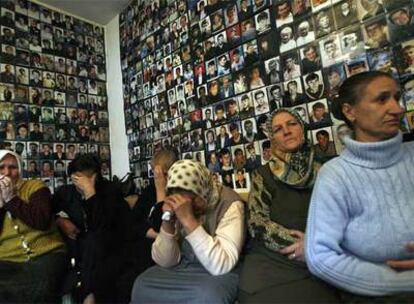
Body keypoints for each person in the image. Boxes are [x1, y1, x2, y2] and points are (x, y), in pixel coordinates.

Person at [306, 71, 414, 301]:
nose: (397, 109)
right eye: (382, 99)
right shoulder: (335, 175)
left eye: (397, 97)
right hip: (378, 295)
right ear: (349, 111)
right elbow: (319, 256)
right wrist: (403, 282)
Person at [238, 109, 340, 303]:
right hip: (271, 263)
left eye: (292, 124)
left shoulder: (329, 169)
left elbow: (343, 218)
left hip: (320, 258)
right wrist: (299, 247)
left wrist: (313, 247)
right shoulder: (263, 174)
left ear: (302, 129)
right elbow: (256, 222)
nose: (286, 131)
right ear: (273, 139)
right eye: (278, 129)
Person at [131, 159, 245, 304]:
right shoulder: (175, 200)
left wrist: (188, 220)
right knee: (141, 286)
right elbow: (166, 262)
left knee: (208, 296)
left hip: (218, 271)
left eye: (191, 200)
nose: (183, 205)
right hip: (183, 266)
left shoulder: (230, 203)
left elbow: (222, 265)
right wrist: (167, 222)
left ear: (201, 192)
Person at [53, 154, 135, 302]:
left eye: (87, 178)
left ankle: (89, 294)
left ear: (96, 176)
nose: (82, 183)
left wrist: (90, 193)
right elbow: (49, 213)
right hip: (76, 244)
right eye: (78, 178)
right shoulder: (65, 193)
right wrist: (60, 220)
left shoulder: (111, 191)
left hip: (107, 244)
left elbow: (102, 225)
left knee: (94, 241)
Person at [0, 150, 66, 302]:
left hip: (46, 253)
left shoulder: (35, 186)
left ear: (20, 169)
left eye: (13, 167)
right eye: (1, 167)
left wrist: (11, 198)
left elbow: (41, 221)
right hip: (8, 258)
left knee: (41, 286)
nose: (7, 173)